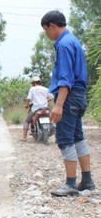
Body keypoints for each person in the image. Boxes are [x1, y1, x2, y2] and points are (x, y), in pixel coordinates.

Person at [41, 10, 95, 196]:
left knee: (65, 139)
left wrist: (58, 104)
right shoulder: (74, 42)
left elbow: (65, 78)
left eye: (45, 30)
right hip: (80, 96)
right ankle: (87, 181)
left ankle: (70, 184)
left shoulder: (63, 44)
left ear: (52, 26)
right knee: (78, 137)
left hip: (69, 96)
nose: (46, 35)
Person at [21, 76, 54, 141]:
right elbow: (52, 97)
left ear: (33, 83)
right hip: (45, 108)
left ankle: (24, 137)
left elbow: (29, 98)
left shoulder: (32, 89)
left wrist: (26, 105)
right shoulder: (45, 89)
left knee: (26, 121)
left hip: (35, 109)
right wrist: (47, 100)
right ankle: (52, 129)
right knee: (51, 121)